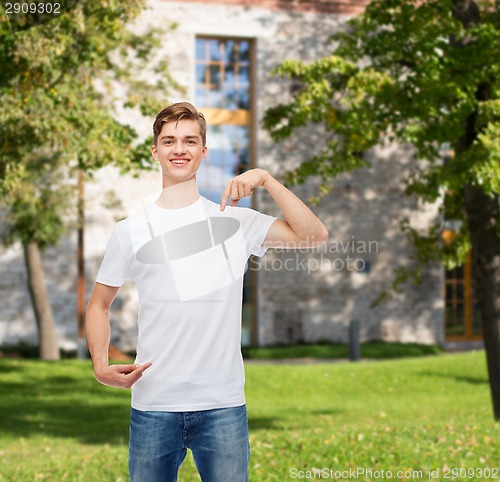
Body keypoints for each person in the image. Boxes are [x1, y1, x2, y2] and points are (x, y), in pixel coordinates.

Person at [85, 102, 328, 482]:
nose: (179, 149)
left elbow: (314, 235)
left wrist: (266, 179)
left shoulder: (234, 221)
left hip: (222, 406)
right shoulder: (129, 231)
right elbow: (99, 305)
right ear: (155, 151)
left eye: (189, 140)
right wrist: (100, 366)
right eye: (169, 141)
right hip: (154, 404)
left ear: (203, 151)